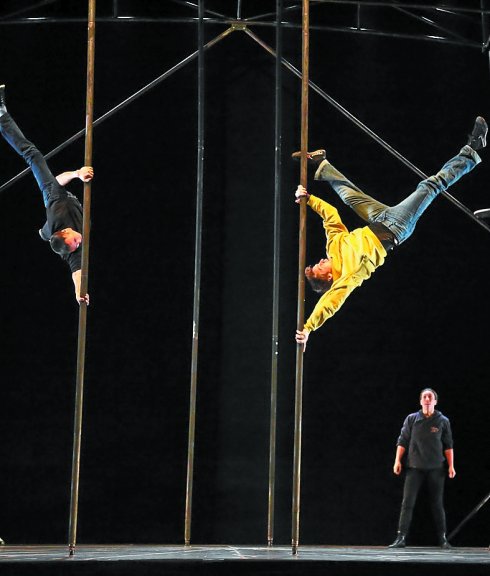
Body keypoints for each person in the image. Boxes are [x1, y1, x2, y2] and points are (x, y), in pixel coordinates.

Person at [293, 116, 487, 349]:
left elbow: (331, 216)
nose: (321, 260)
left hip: (377, 219)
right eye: (319, 266)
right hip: (395, 228)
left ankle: (322, 165)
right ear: (326, 278)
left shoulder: (334, 248)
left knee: (347, 196)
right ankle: (472, 150)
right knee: (430, 186)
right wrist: (308, 328)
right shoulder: (345, 280)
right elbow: (329, 304)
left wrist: (309, 198)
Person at [0, 85, 93, 304]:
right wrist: (79, 293)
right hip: (50, 230)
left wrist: (78, 173)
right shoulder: (72, 250)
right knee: (44, 233)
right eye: (76, 246)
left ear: (67, 231)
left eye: (74, 241)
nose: (79, 243)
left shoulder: (59, 208)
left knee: (32, 154)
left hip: (52, 197)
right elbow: (76, 273)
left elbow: (56, 182)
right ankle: (43, 233)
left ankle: (2, 115)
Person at [389, 388, 455, 549]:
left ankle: (443, 538)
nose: (427, 399)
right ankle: (401, 537)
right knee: (408, 503)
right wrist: (397, 461)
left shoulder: (442, 420)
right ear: (420, 401)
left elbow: (448, 445)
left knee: (437, 504)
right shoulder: (412, 419)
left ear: (435, 401)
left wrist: (451, 465)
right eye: (424, 397)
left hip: (436, 468)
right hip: (414, 467)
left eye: (430, 397)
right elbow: (402, 441)